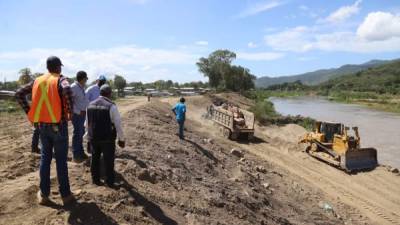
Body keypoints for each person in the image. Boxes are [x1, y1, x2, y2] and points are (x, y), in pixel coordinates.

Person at [15, 56, 75, 205]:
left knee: (45, 159)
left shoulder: (37, 80)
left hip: (41, 126)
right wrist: (69, 111)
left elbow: (18, 93)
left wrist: (30, 112)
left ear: (48, 67)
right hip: (58, 126)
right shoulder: (61, 79)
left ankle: (44, 194)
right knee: (61, 161)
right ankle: (66, 195)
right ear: (58, 67)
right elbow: (67, 89)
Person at [86, 85, 125, 187]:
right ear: (110, 93)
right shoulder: (111, 106)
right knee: (109, 161)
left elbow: (87, 123)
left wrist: (87, 138)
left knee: (94, 160)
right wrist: (121, 139)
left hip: (94, 138)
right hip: (107, 139)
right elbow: (118, 124)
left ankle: (95, 180)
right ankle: (110, 182)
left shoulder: (90, 105)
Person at [70, 71, 89, 162]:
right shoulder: (74, 87)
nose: (86, 80)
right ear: (82, 78)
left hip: (82, 114)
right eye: (86, 79)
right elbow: (69, 102)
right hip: (77, 115)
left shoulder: (81, 87)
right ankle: (76, 155)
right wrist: (78, 111)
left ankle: (81, 152)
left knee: (80, 133)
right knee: (77, 134)